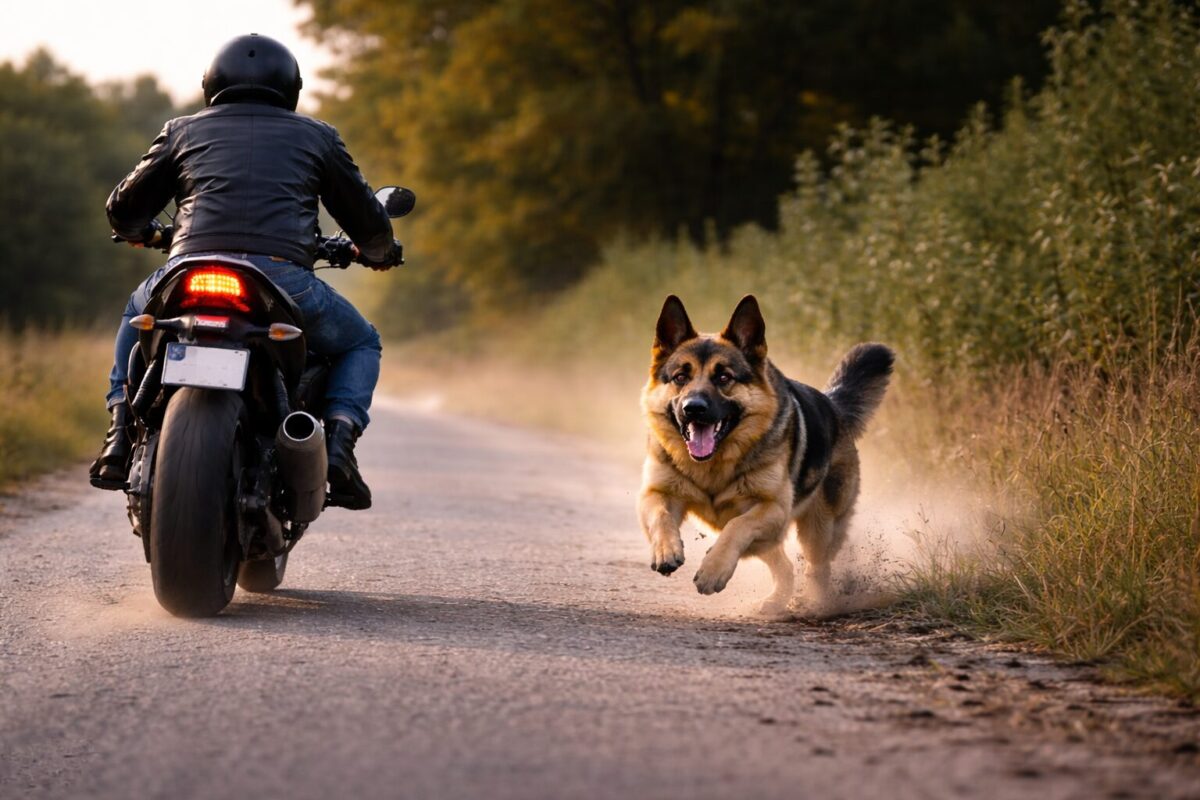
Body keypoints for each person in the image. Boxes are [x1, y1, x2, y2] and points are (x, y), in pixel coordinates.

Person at [89, 33, 401, 510]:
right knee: (361, 342)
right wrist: (377, 251)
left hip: (188, 269)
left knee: (137, 316)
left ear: (212, 84)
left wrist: (144, 230)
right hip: (280, 277)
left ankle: (117, 437)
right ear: (291, 87)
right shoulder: (317, 136)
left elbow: (124, 209)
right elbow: (366, 220)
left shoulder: (181, 130)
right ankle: (338, 448)